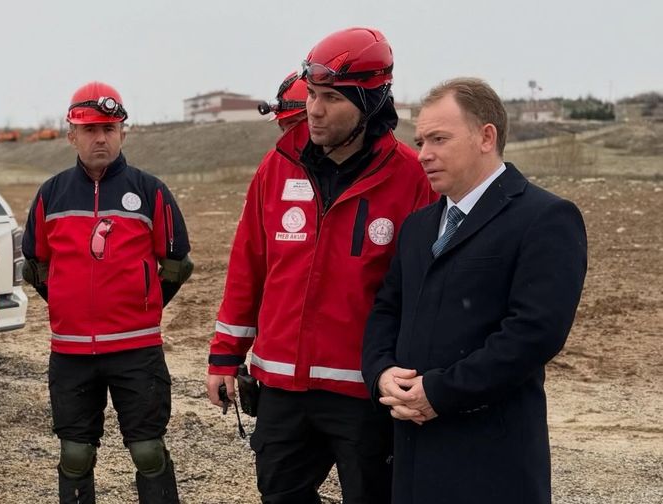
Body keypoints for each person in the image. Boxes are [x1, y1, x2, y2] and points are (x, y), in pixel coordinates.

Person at [206, 27, 436, 504]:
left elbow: (425, 290)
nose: (314, 109)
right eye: (311, 94)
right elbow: (248, 265)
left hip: (365, 392)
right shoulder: (277, 167)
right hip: (281, 386)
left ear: (372, 100)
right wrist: (226, 354)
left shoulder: (412, 179)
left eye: (330, 97)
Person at [361, 78, 587, 504]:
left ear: (487, 137)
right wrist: (381, 374)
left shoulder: (545, 218)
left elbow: (534, 333)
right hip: (411, 452)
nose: (423, 154)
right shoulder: (418, 227)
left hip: (490, 458)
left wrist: (441, 392)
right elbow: (387, 310)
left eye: (439, 139)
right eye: (420, 140)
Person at [22, 81, 193, 504]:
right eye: (90, 129)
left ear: (123, 133)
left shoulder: (150, 190)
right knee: (75, 455)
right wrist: (66, 300)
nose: (101, 138)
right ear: (71, 135)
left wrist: (144, 302)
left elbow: (177, 263)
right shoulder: (51, 194)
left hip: (137, 349)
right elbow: (35, 266)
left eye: (110, 129)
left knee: (148, 451)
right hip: (71, 351)